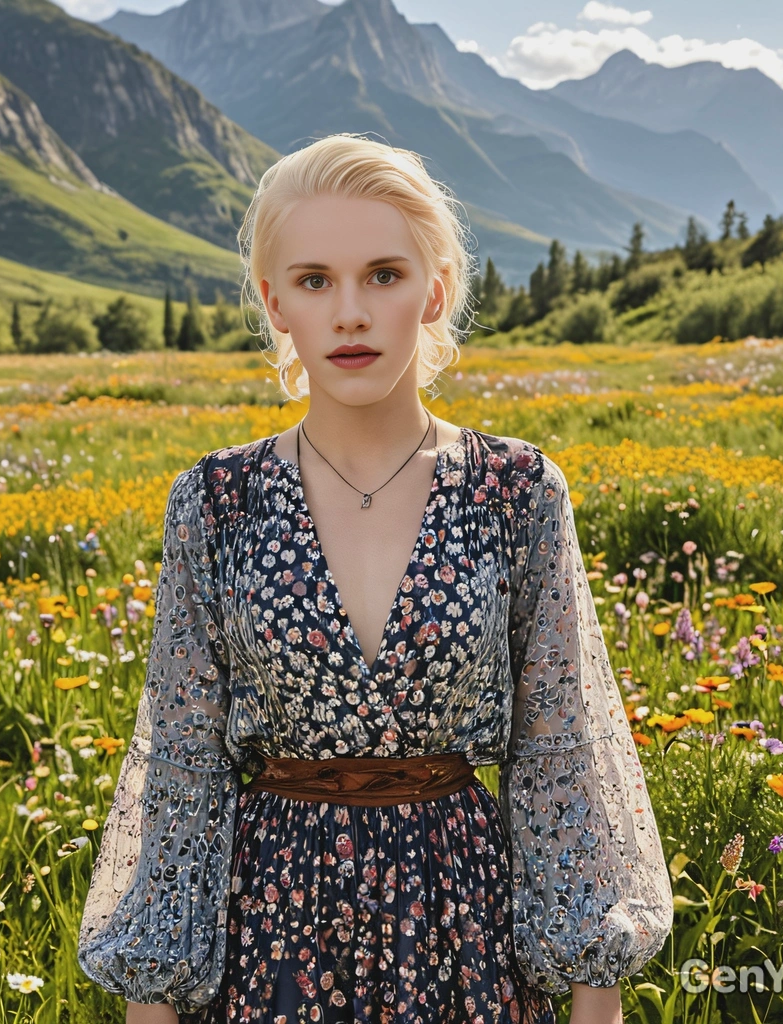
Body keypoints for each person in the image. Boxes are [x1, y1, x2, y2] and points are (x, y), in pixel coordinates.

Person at [77, 133, 674, 1024]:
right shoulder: (217, 500)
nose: (350, 313)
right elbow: (183, 764)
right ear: (276, 302)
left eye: (383, 275)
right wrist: (154, 998)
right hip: (271, 932)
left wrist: (596, 991)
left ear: (434, 290)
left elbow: (563, 753)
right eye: (316, 280)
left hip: (463, 927)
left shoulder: (516, 491)